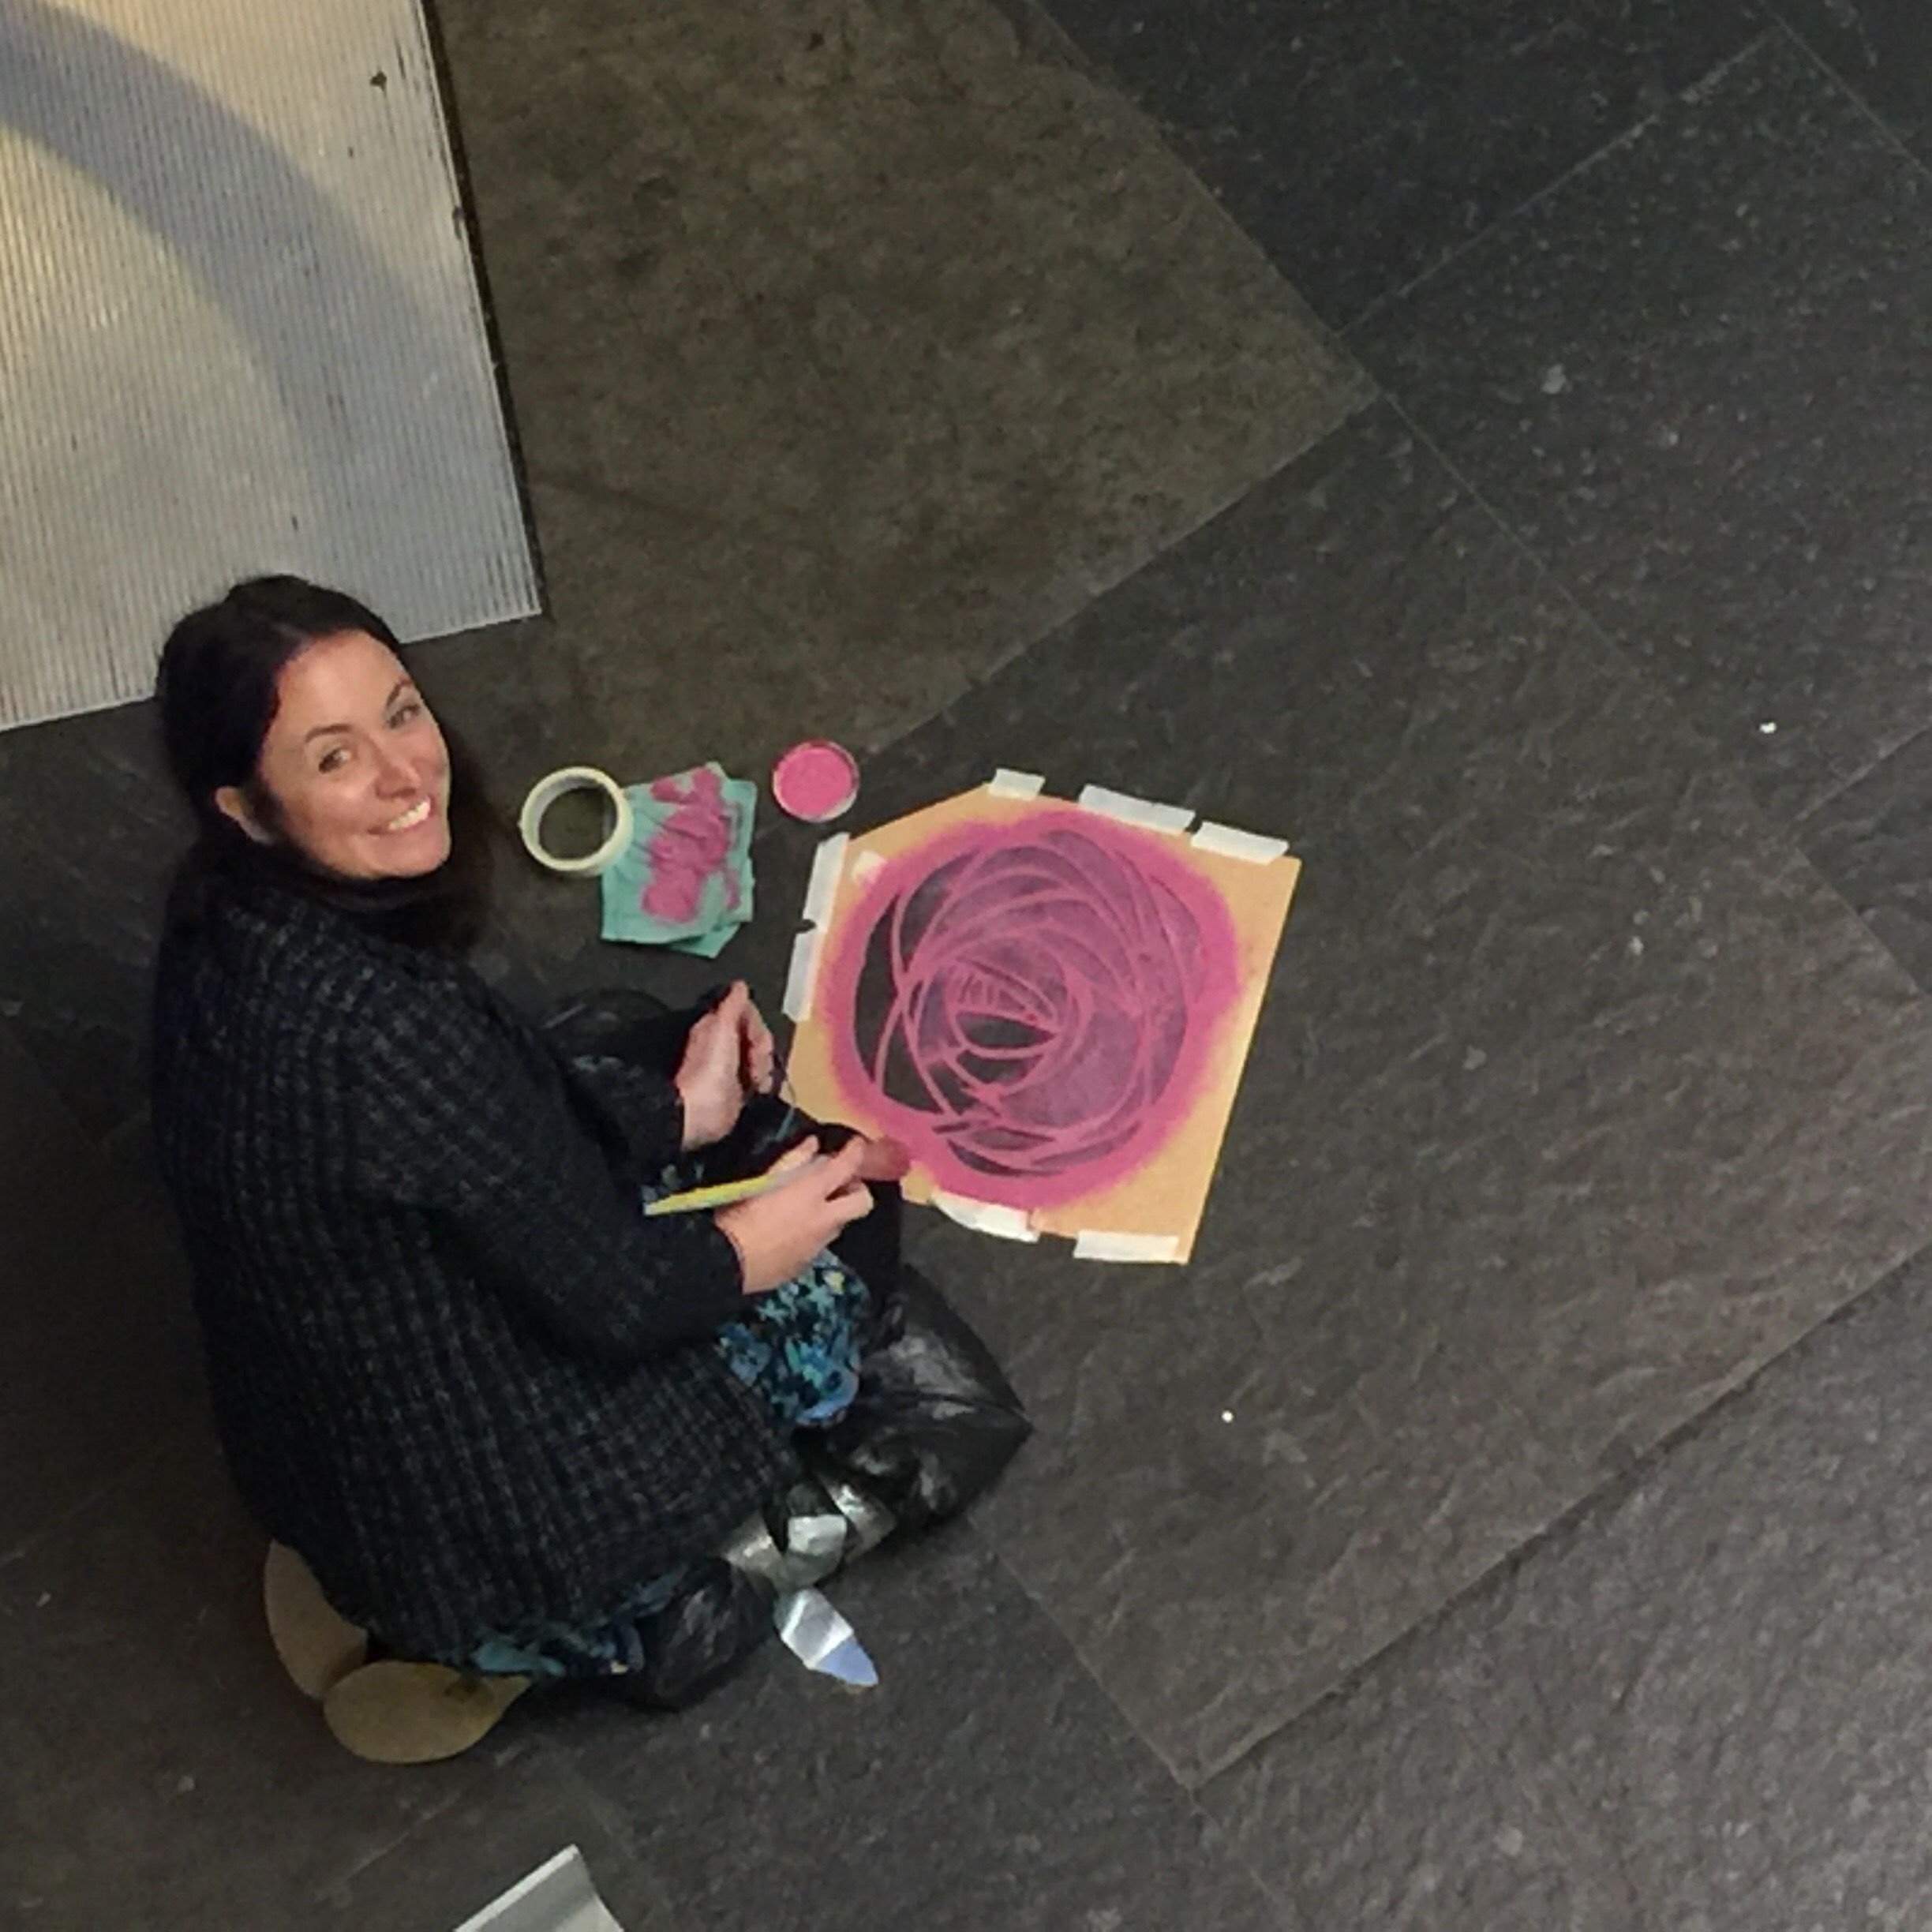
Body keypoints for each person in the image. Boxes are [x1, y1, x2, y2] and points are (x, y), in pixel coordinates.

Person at [149, 576, 1019, 1751]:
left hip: (334, 1462)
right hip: (528, 1508)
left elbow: (479, 1144)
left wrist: (675, 1115)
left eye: (402, 711)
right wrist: (756, 1243)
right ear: (248, 809)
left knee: (639, 1050)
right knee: (854, 1239)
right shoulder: (385, 1041)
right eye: (336, 758)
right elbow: (621, 1300)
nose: (407, 773)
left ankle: (455, 1618)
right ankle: (640, 1609)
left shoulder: (220, 933)